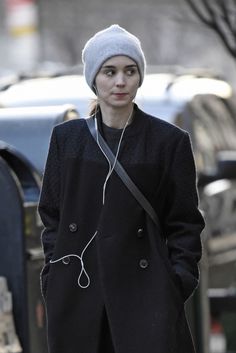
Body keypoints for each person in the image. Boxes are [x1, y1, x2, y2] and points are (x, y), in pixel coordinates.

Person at [38, 24, 205, 353]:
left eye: (130, 71)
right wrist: (54, 279)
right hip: (79, 295)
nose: (120, 81)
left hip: (146, 300)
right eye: (109, 71)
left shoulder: (168, 143)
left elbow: (185, 224)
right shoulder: (67, 139)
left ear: (140, 77)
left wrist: (172, 284)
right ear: (94, 78)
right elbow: (52, 216)